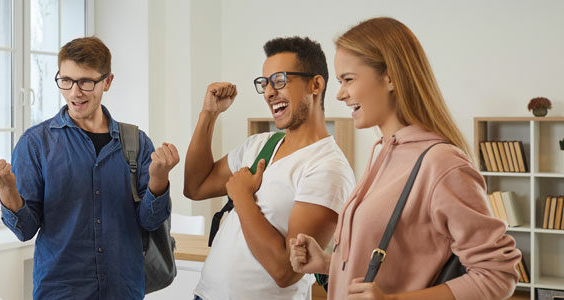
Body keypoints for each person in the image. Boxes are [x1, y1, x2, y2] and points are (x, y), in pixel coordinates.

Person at [289, 17, 522, 300]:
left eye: (348, 79)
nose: (339, 94)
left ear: (391, 77)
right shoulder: (385, 152)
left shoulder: (442, 164)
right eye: (339, 81)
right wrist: (328, 263)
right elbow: (400, 262)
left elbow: (498, 275)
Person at [0, 37, 178, 299]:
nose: (75, 92)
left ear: (107, 82)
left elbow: (151, 220)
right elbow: (25, 230)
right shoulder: (36, 143)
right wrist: (6, 188)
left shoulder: (137, 142)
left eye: (86, 82)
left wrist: (159, 179)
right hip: (60, 290)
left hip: (123, 288)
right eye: (66, 80)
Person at [183, 36, 355, 300]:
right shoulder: (261, 144)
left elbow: (286, 271)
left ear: (315, 84)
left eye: (280, 81)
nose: (269, 92)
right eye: (264, 83)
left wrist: (241, 196)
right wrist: (209, 114)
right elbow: (195, 186)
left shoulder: (327, 167)